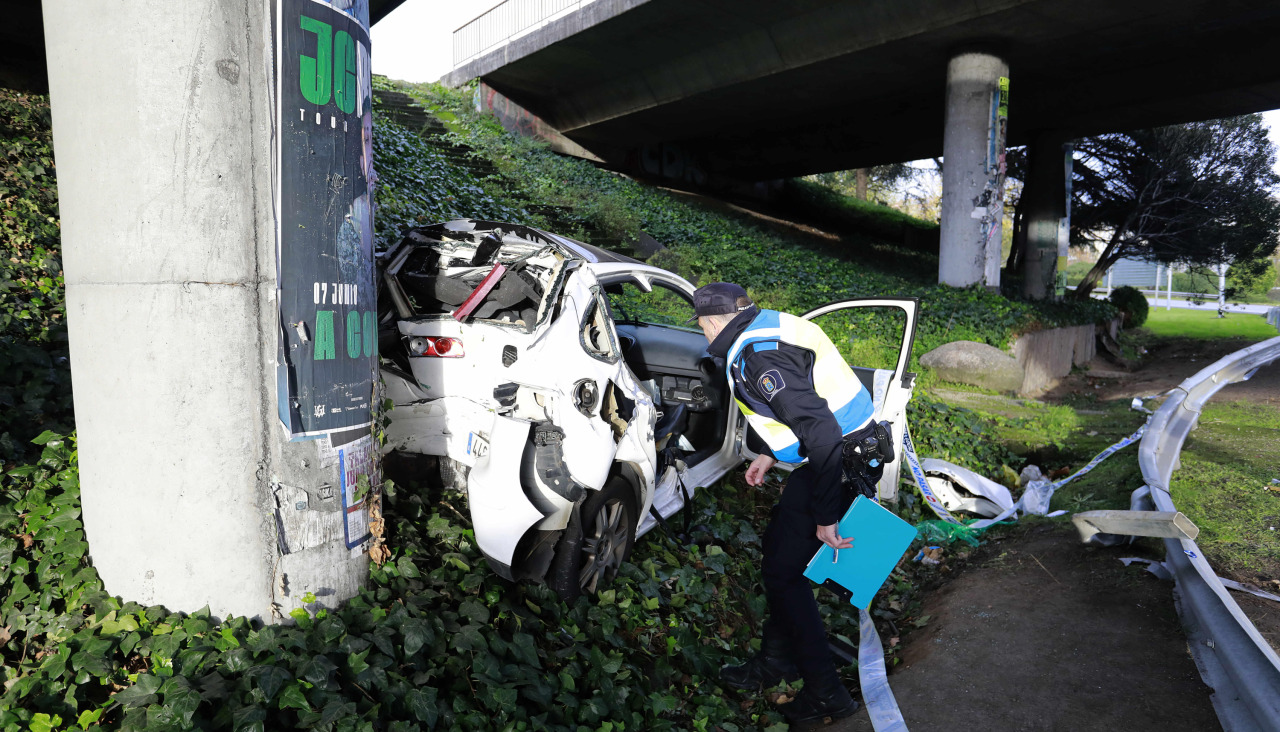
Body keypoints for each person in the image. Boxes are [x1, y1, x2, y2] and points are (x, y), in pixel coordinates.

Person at [693, 281, 881, 723]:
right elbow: (800, 403)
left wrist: (826, 515)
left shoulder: (759, 358)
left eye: (701, 325)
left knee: (783, 574)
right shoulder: (769, 326)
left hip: (836, 462)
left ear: (713, 322)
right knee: (783, 564)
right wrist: (769, 451)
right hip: (848, 454)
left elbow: (822, 432)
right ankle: (776, 661)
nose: (703, 332)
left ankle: (826, 693)